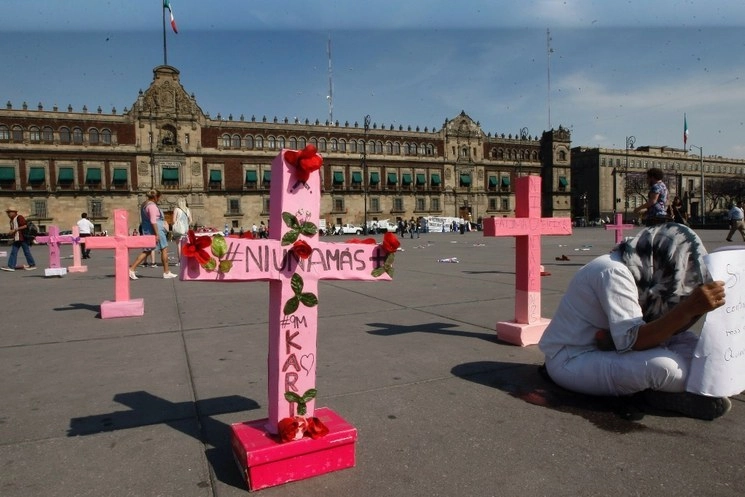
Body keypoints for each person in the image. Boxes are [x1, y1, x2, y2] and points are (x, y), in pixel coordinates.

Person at [539, 223, 731, 420]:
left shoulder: (645, 275)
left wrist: (699, 309)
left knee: (705, 353)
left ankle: (666, 389)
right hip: (574, 358)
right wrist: (689, 308)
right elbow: (635, 341)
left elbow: (672, 330)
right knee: (664, 368)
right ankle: (656, 394)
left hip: (613, 345)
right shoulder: (613, 272)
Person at [129, 189, 177, 280]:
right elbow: (153, 220)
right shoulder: (152, 206)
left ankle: (132, 269)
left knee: (147, 251)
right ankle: (166, 272)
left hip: (148, 229)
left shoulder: (144, 205)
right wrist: (157, 234)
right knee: (164, 249)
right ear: (156, 197)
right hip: (156, 229)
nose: (159, 199)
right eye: (159, 197)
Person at [2, 206, 37, 271]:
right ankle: (11, 266)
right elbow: (13, 230)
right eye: (8, 212)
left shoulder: (19, 217)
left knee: (26, 252)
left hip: (22, 238)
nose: (8, 214)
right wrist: (11, 234)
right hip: (17, 238)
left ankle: (32, 265)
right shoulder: (11, 220)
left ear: (14, 212)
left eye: (9, 212)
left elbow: (25, 226)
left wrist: (15, 230)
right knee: (14, 252)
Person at [172, 198, 192, 265]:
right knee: (185, 245)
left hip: (179, 229)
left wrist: (176, 225)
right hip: (186, 229)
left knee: (179, 245)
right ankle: (185, 260)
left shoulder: (176, 209)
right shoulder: (187, 210)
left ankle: (180, 261)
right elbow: (191, 220)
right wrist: (186, 224)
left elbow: (174, 220)